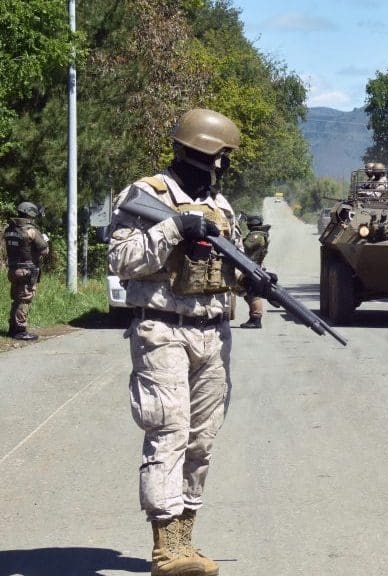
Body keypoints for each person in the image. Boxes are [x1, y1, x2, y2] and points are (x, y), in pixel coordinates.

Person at [108, 108, 244, 576]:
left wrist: (257, 282)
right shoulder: (146, 194)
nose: (224, 165)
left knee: (201, 441)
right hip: (162, 329)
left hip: (214, 334)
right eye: (222, 156)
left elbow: (233, 267)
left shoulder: (221, 206)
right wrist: (174, 228)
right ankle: (167, 549)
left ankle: (186, 540)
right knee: (168, 431)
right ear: (204, 152)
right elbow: (121, 258)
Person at [4, 202, 49, 340]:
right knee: (24, 300)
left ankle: (13, 328)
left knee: (16, 299)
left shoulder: (9, 229)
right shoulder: (31, 231)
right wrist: (45, 240)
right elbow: (44, 250)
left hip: (13, 270)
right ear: (30, 214)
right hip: (27, 271)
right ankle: (20, 331)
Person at [240, 214, 270, 329]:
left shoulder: (257, 235)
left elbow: (247, 245)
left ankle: (256, 319)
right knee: (249, 294)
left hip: (253, 266)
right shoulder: (260, 234)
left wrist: (240, 241)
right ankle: (254, 318)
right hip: (252, 266)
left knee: (252, 294)